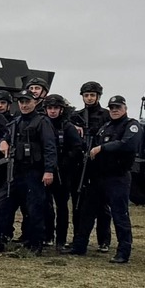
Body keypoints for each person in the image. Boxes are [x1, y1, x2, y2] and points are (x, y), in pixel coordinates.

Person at [71, 95, 139, 262]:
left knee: (119, 215)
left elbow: (127, 144)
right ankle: (79, 247)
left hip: (118, 178)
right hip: (98, 178)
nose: (115, 110)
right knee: (87, 213)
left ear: (125, 108)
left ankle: (123, 253)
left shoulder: (131, 125)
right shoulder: (105, 126)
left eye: (118, 107)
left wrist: (102, 147)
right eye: (112, 108)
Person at [0, 90, 58, 255]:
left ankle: (35, 245)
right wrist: (3, 142)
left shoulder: (42, 122)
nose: (24, 105)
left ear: (35, 102)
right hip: (15, 171)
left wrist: (49, 170)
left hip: (34, 172)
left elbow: (50, 147)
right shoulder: (16, 121)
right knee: (2, 206)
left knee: (34, 210)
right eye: (21, 101)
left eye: (27, 101)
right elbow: (5, 136)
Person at [75, 82, 113, 251]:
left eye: (92, 95)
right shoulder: (76, 116)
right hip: (80, 165)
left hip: (100, 166)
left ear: (98, 96)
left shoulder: (107, 115)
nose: (89, 98)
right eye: (86, 95)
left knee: (102, 206)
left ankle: (104, 240)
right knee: (78, 204)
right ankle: (78, 238)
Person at [43, 95, 83, 250]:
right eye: (50, 108)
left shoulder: (67, 127)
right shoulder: (42, 123)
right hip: (45, 170)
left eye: (55, 108)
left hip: (63, 173)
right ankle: (47, 236)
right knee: (45, 205)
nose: (52, 111)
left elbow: (77, 149)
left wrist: (64, 162)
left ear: (61, 110)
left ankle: (61, 239)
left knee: (62, 207)